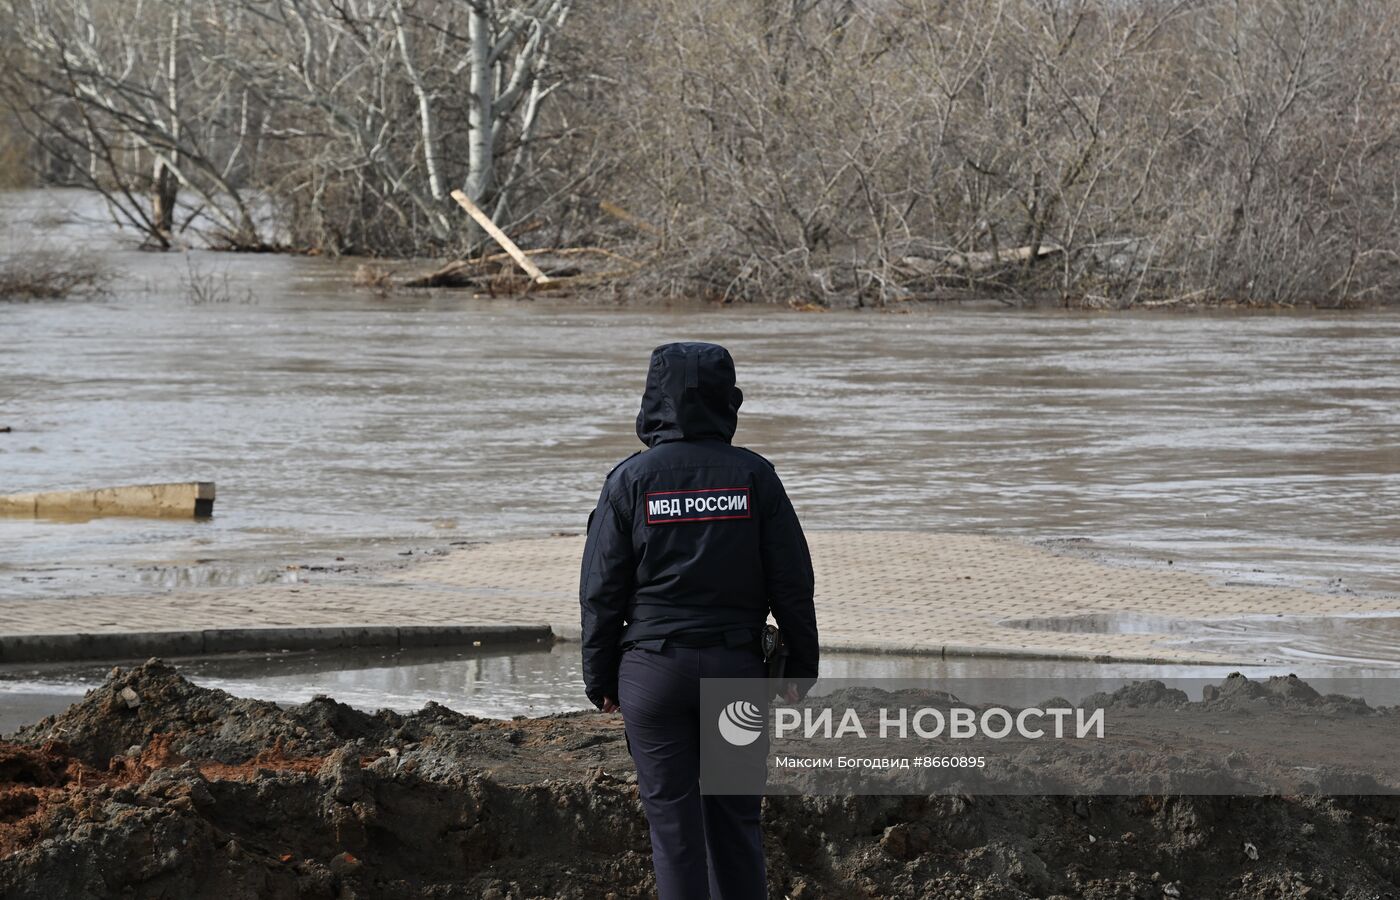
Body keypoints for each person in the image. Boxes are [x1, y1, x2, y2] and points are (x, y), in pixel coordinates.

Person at [580, 341, 819, 900]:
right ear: (726, 399)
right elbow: (792, 583)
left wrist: (600, 678)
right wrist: (800, 668)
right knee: (735, 824)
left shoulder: (629, 480)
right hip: (735, 669)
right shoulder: (756, 476)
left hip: (652, 673)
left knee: (674, 831)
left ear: (652, 400)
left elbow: (601, 591)